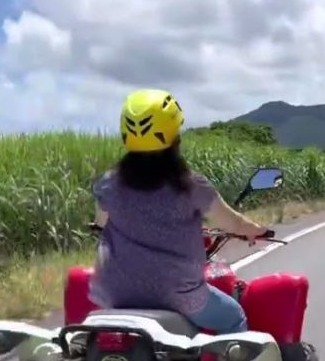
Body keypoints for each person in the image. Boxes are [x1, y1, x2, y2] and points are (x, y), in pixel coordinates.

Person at [89, 88, 266, 334]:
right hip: (180, 296)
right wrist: (257, 230)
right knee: (233, 317)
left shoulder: (109, 184)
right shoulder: (190, 185)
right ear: (174, 136)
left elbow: (101, 222)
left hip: (116, 294)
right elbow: (233, 224)